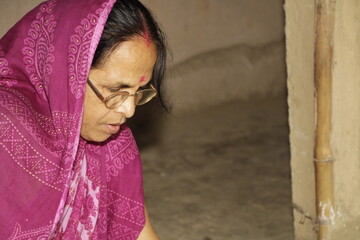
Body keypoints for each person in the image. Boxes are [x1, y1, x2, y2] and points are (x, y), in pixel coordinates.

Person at [0, 0, 167, 239]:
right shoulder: (5, 130)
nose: (129, 110)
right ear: (66, 74)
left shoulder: (113, 144)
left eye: (139, 91)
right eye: (115, 90)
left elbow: (142, 235)